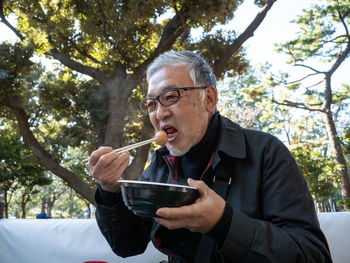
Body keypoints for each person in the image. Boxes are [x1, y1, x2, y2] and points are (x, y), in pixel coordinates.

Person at [88, 50, 332, 262]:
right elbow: (127, 245)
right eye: (152, 104)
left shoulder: (265, 152)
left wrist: (224, 223)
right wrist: (109, 191)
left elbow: (313, 254)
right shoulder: (161, 163)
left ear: (209, 99)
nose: (160, 113)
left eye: (171, 97)